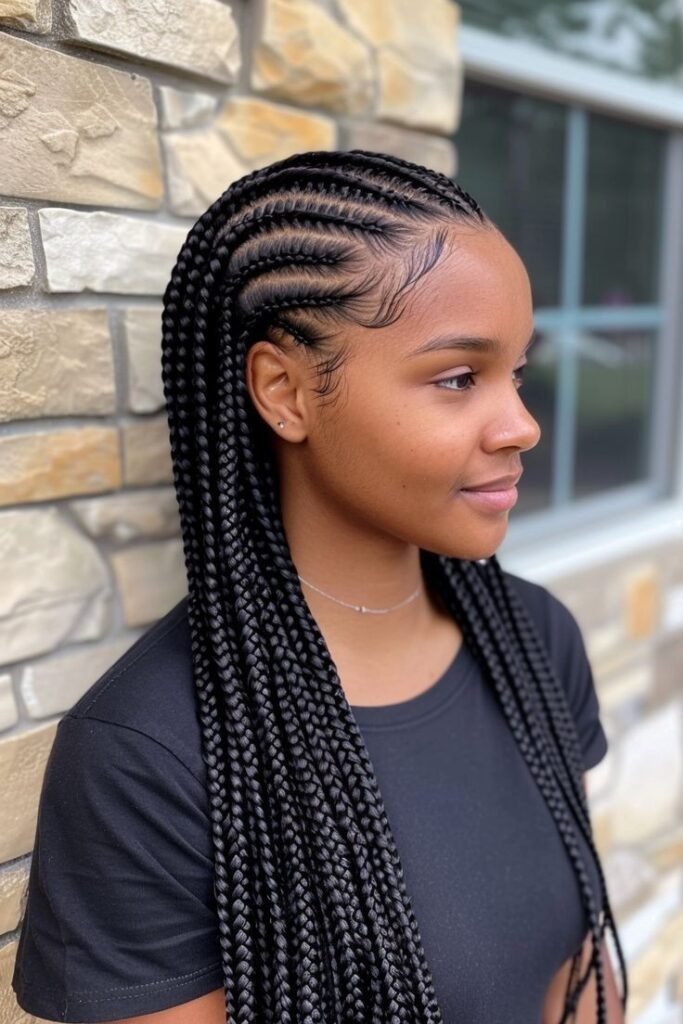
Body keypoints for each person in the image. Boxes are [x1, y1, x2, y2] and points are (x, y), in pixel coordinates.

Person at [12, 149, 628, 1024]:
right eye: (458, 378)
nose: (521, 424)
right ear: (284, 391)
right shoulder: (149, 755)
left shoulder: (533, 639)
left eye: (515, 373)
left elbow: (577, 970)